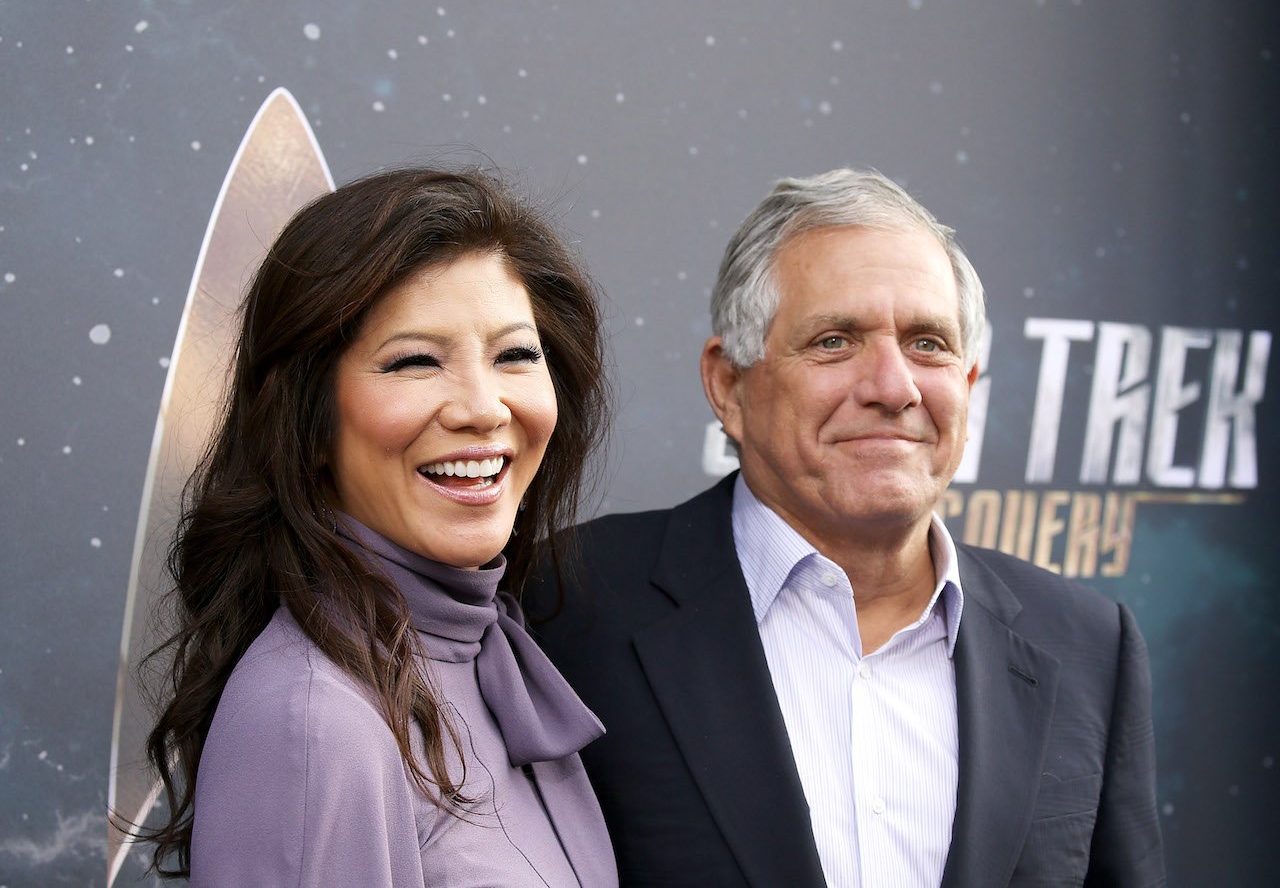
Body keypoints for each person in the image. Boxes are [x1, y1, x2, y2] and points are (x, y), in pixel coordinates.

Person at [527, 168, 1165, 887]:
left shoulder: (1087, 645)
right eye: (835, 341)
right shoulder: (565, 603)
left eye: (928, 343)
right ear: (728, 386)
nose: (894, 387)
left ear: (969, 384)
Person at [140, 167, 617, 887]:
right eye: (416, 361)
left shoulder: (485, 659)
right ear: (310, 422)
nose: (483, 408)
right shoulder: (313, 722)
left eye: (515, 354)